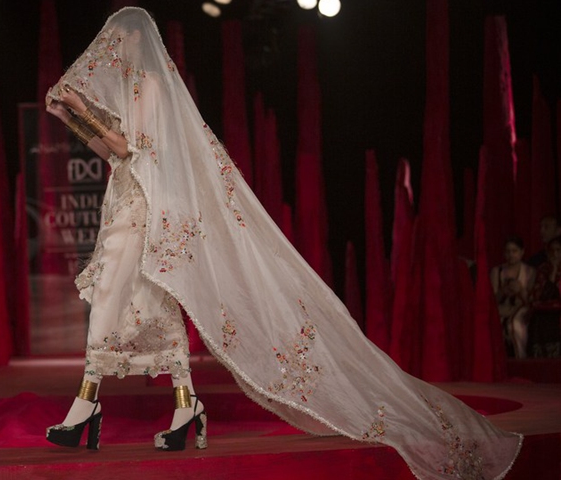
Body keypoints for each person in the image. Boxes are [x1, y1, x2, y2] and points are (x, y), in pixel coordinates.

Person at [43, 7, 521, 478]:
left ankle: (88, 406)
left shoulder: (146, 84)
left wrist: (85, 110)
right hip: (126, 206)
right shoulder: (133, 91)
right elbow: (113, 154)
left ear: (132, 44)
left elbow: (133, 148)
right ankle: (182, 406)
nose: (109, 52)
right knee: (152, 308)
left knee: (116, 301)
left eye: (117, 44)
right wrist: (70, 117)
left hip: (145, 213)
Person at [490, 237, 535, 358]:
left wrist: (520, 291)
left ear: (522, 252)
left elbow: (531, 301)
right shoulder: (497, 271)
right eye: (507, 251)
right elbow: (492, 300)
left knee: (515, 325)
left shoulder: (529, 272)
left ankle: (521, 359)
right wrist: (503, 291)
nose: (510, 255)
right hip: (501, 308)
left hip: (521, 308)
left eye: (514, 251)